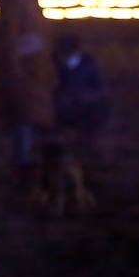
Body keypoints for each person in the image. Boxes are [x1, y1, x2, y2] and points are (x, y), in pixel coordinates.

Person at [0, 0, 54, 200]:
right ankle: (22, 176)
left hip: (35, 72)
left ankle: (34, 177)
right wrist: (16, 69)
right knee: (22, 122)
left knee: (31, 121)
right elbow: (8, 39)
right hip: (21, 73)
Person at [50, 33, 108, 215]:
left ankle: (86, 177)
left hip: (85, 114)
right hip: (59, 114)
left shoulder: (89, 65)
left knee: (84, 149)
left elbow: (101, 91)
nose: (66, 57)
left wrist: (84, 98)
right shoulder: (52, 64)